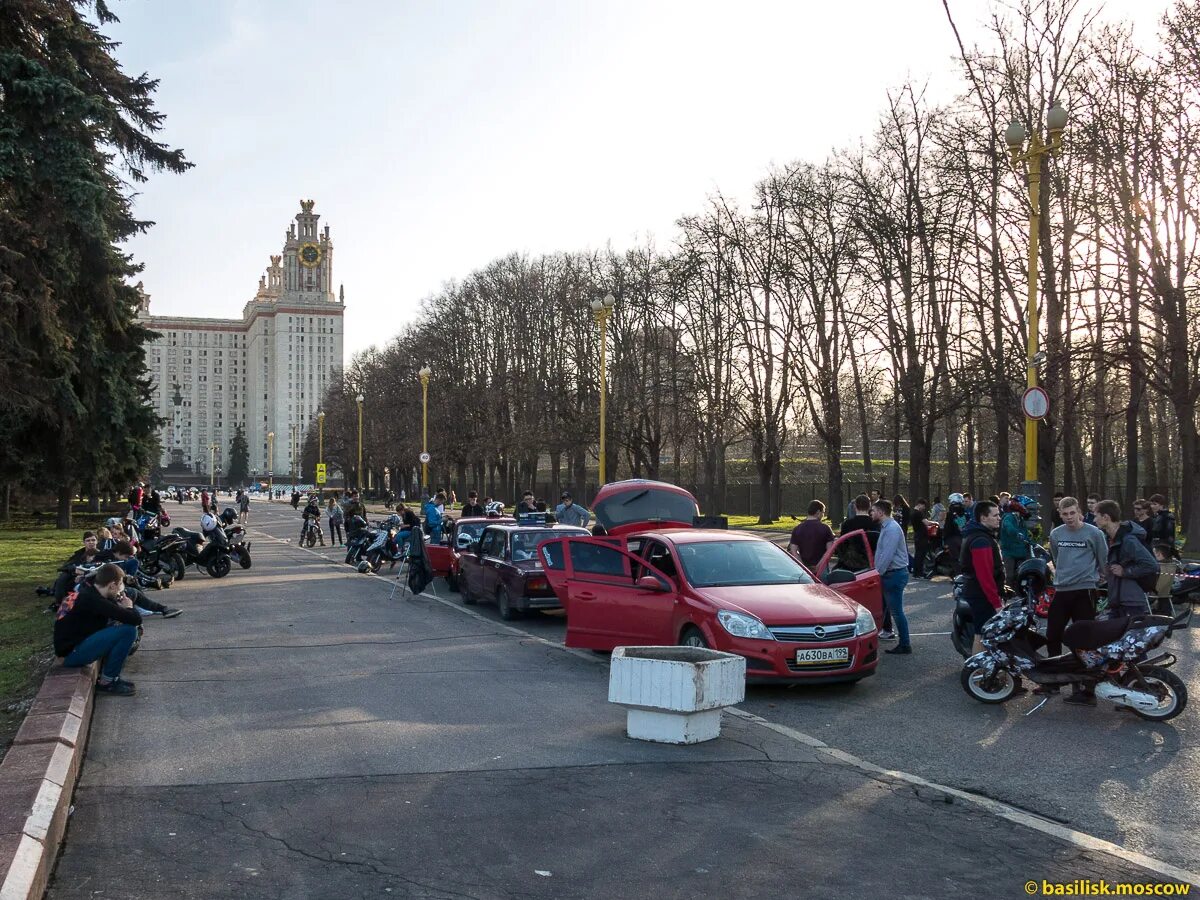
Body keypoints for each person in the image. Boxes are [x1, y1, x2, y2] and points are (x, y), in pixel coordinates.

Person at [1043, 497, 1108, 701]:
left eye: (1072, 513)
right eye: (1065, 514)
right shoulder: (1056, 534)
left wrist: (1098, 579)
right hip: (1062, 590)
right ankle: (1053, 681)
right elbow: (1056, 558)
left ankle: (1084, 686)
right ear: (1060, 514)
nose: (1069, 517)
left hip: (1085, 590)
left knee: (1083, 640)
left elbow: (1103, 560)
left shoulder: (1094, 533)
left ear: (1079, 512)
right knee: (1053, 634)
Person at [54, 563, 142, 696]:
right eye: (119, 586)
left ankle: (110, 676)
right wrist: (129, 606)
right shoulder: (93, 600)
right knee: (128, 631)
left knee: (118, 626)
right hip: (71, 654)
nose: (120, 590)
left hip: (71, 647)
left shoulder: (89, 591)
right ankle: (107, 682)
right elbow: (135, 619)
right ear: (112, 585)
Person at [1094, 499, 1159, 619]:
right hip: (1118, 600)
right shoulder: (1111, 538)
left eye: (1096, 516)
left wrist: (1125, 571)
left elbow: (1151, 565)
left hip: (1131, 602)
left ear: (1106, 517)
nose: (1094, 520)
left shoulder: (1128, 540)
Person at [958, 501, 1006, 655]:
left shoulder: (979, 535)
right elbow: (985, 576)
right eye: (995, 515)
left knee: (982, 633)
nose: (999, 518)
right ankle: (979, 672)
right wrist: (996, 603)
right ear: (983, 518)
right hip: (981, 596)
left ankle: (980, 671)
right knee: (982, 634)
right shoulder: (981, 540)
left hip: (977, 593)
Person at [871, 500, 911, 654]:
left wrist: (876, 572)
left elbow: (887, 555)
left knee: (896, 611)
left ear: (881, 512)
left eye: (873, 510)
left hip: (894, 575)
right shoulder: (887, 527)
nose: (872, 513)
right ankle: (902, 642)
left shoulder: (892, 529)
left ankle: (905, 644)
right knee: (891, 610)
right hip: (891, 574)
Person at [110, 541, 182, 617]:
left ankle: (161, 609)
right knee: (134, 592)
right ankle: (159, 609)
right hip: (113, 592)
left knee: (134, 586)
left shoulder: (114, 559)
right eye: (126, 557)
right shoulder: (111, 561)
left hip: (115, 589)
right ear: (119, 552)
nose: (126, 559)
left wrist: (126, 578)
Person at [787, 501, 835, 571]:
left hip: (804, 570)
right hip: (822, 569)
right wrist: (819, 566)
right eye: (823, 512)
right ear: (818, 512)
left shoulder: (797, 529)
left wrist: (803, 567)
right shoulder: (825, 528)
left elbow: (793, 551)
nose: (823, 515)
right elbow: (830, 550)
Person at [999, 498, 1034, 588]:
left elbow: (1025, 535)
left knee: (1022, 573)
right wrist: (1016, 533)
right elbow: (1008, 527)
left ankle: (1020, 592)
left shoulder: (1020, 519)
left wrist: (1032, 543)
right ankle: (1008, 595)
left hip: (1021, 551)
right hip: (1009, 552)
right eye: (1025, 508)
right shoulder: (1009, 517)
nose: (1026, 510)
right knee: (1009, 575)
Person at [910, 499, 932, 577]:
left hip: (917, 535)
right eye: (924, 506)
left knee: (918, 554)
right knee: (921, 555)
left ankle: (916, 572)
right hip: (921, 536)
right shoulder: (918, 513)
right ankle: (919, 572)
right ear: (920, 504)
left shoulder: (913, 513)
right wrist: (935, 522)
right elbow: (926, 522)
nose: (924, 508)